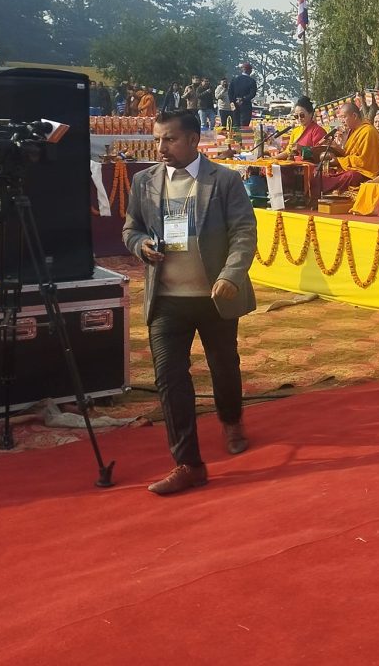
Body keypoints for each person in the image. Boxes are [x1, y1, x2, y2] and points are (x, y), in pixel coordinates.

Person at [122, 110, 258, 495]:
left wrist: (231, 275)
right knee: (169, 378)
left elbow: (244, 232)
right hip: (166, 299)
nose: (161, 147)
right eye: (157, 139)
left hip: (215, 296)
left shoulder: (224, 180)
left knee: (223, 365)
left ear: (194, 140)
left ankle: (231, 420)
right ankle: (189, 464)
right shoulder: (144, 182)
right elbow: (131, 228)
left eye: (170, 139)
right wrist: (140, 245)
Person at [321, 102, 379, 192]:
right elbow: (349, 154)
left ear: (354, 116)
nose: (342, 121)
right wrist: (336, 148)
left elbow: (364, 162)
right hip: (352, 168)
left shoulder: (368, 131)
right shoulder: (353, 131)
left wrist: (339, 161)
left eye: (344, 117)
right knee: (323, 173)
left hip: (366, 173)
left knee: (352, 176)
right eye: (341, 118)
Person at [277, 97, 327, 161]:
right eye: (296, 116)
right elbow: (287, 152)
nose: (299, 118)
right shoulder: (295, 131)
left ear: (310, 114)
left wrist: (302, 149)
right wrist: (272, 158)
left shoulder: (318, 131)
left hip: (310, 165)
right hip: (294, 164)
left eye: (302, 115)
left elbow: (319, 153)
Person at [230, 63, 258, 129]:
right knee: (245, 124)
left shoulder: (235, 79)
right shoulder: (252, 81)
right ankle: (243, 135)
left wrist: (232, 101)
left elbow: (230, 92)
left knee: (236, 123)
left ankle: (236, 134)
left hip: (235, 103)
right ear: (250, 71)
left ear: (242, 70)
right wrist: (243, 99)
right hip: (246, 104)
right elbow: (252, 94)